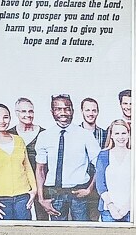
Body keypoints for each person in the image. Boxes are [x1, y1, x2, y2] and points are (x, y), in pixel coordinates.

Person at [35, 94, 99, 222]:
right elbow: (40, 169)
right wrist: (41, 198)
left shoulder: (85, 135)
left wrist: (89, 189)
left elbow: (100, 165)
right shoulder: (44, 136)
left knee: (82, 234)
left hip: (79, 193)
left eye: (67, 108)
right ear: (52, 112)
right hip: (53, 193)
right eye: (58, 109)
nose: (63, 112)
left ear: (73, 111)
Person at [0, 103, 36, 221]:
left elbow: (27, 167)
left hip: (22, 197)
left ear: (10, 118)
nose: (2, 121)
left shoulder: (18, 140)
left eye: (5, 117)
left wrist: (34, 190)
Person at [94, 118, 136, 223]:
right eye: (117, 133)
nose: (121, 137)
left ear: (129, 135)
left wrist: (126, 207)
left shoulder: (135, 155)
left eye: (124, 133)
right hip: (108, 210)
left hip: (131, 210)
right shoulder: (104, 155)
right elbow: (100, 185)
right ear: (111, 135)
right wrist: (111, 207)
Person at [14, 97, 46, 219]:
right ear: (16, 113)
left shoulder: (44, 133)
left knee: (42, 219)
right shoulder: (10, 134)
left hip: (41, 186)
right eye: (23, 111)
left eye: (31, 111)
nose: (28, 114)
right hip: (19, 185)